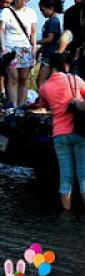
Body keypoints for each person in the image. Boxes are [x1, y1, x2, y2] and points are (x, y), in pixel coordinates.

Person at [38, 53, 85, 215]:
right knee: (83, 175)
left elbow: (43, 105)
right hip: (79, 132)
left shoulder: (44, 87)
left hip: (59, 134)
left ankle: (66, 214)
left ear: (51, 67)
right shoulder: (75, 79)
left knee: (66, 177)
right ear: (65, 66)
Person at [0, 0, 38, 109]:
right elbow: (1, 29)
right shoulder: (6, 11)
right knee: (13, 78)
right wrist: (3, 47)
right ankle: (13, 106)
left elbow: (33, 32)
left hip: (25, 48)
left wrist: (34, 49)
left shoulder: (31, 12)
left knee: (23, 79)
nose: (22, 2)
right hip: (10, 47)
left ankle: (21, 106)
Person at [36, 0, 65, 87]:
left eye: (43, 10)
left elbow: (50, 39)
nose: (42, 13)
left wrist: (35, 41)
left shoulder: (53, 21)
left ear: (51, 8)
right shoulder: (52, 21)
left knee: (40, 81)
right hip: (48, 53)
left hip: (49, 55)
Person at [62, 0, 85, 77]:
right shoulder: (69, 12)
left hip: (79, 51)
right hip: (74, 54)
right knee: (75, 82)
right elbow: (67, 34)